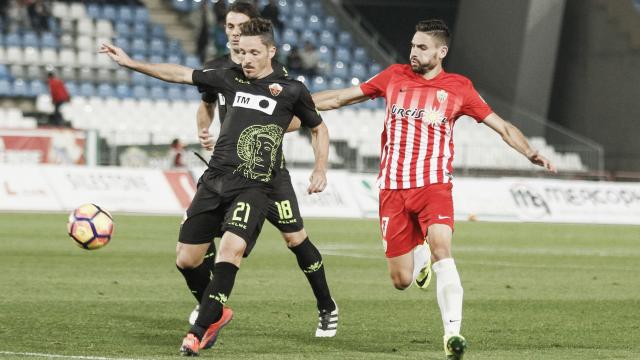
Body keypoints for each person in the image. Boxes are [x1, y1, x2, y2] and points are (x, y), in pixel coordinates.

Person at [312, 19, 557, 360]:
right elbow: (339, 98)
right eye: (413, 45)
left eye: (422, 47)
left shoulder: (459, 88)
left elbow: (501, 126)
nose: (414, 52)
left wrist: (530, 152)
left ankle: (452, 335)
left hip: (433, 186)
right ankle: (419, 252)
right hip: (392, 190)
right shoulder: (393, 76)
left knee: (444, 248)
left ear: (441, 52)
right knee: (401, 281)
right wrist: (298, 101)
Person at [100, 18, 331, 356]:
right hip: (214, 181)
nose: (247, 59)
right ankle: (217, 312)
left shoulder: (292, 90)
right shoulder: (228, 78)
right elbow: (180, 74)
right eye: (241, 53)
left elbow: (318, 128)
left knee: (230, 250)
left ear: (271, 51)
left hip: (254, 186)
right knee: (187, 259)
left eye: (254, 52)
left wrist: (319, 168)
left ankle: (197, 331)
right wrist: (131, 62)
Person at [193, 0, 338, 340]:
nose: (234, 34)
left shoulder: (275, 78)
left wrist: (262, 128)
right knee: (209, 237)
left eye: (241, 28)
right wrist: (205, 130)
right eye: (229, 27)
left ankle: (326, 305)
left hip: (268, 175)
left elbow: (299, 118)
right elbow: (205, 105)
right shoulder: (219, 70)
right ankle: (209, 304)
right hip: (227, 171)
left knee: (295, 239)